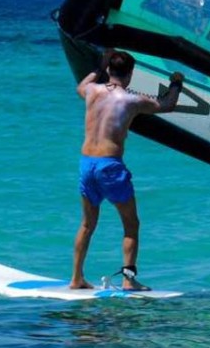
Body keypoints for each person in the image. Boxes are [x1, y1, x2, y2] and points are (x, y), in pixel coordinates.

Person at [69, 50, 184, 291]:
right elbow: (167, 104)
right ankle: (128, 280)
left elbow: (81, 86)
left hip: (87, 163)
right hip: (110, 166)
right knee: (131, 226)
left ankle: (76, 278)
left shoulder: (91, 91)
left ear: (108, 70)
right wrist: (176, 82)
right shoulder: (131, 100)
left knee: (87, 225)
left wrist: (98, 69)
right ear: (131, 74)